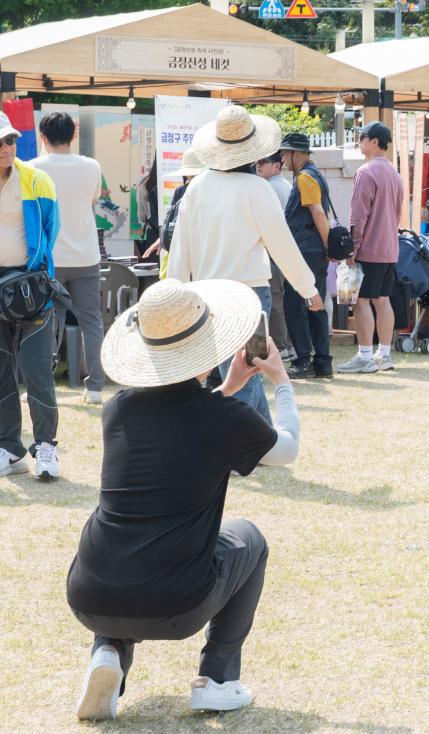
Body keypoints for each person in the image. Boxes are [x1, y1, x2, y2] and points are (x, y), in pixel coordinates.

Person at [67, 278, 301, 721]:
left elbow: (180, 424)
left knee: (126, 546)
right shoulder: (222, 418)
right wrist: (282, 382)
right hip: (177, 603)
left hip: (90, 594)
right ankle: (217, 679)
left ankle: (108, 654)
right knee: (250, 539)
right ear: (208, 342)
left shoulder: (117, 409)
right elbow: (286, 449)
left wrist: (227, 388)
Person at [169, 106, 323, 423]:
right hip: (250, 295)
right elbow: (282, 245)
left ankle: (261, 439)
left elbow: (179, 249)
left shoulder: (195, 187)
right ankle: (249, 443)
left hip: (206, 294)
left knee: (241, 371)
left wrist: (177, 292)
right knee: (248, 370)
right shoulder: (257, 189)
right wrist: (308, 288)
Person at [0, 112, 61, 480]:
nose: (6, 148)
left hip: (30, 286)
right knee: (1, 372)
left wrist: (34, 271)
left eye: (9, 140)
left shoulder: (37, 180)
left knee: (37, 368)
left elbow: (50, 231)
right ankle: (9, 446)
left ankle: (47, 446)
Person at [31, 111, 106, 404]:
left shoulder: (33, 167)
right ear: (73, 135)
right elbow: (93, 200)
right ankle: (96, 387)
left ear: (42, 136)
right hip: (86, 255)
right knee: (92, 321)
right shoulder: (91, 166)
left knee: (46, 320)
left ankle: (45, 383)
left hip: (49, 257)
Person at [337, 122, 404, 375]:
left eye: (362, 137)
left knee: (361, 301)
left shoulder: (366, 172)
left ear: (374, 141)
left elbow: (358, 214)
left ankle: (365, 354)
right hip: (389, 247)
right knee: (383, 300)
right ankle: (383, 354)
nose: (359, 141)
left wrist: (352, 248)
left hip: (368, 248)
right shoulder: (394, 173)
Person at [279, 134, 333, 380]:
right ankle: (322, 362)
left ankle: (303, 361)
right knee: (316, 304)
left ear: (296, 154)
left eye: (285, 153)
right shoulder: (314, 174)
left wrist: (327, 246)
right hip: (312, 250)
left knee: (295, 305)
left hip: (306, 251)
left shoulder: (305, 177)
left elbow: (318, 214)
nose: (282, 158)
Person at [254, 152, 293, 359]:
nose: (259, 166)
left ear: (277, 165)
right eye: (257, 162)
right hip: (282, 251)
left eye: (263, 162)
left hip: (272, 252)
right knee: (280, 298)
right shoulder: (284, 185)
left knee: (274, 299)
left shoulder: (270, 187)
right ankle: (286, 345)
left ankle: (281, 346)